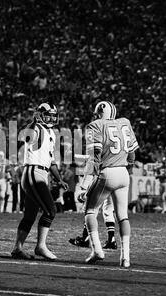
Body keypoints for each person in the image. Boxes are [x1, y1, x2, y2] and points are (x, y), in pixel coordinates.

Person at [78, 101, 138, 267]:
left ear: (98, 113)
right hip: (123, 173)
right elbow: (132, 153)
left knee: (90, 211)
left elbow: (94, 157)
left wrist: (84, 185)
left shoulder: (95, 126)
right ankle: (125, 257)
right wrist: (129, 170)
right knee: (122, 216)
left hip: (107, 173)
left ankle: (97, 250)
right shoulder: (124, 123)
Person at [11, 102, 68, 261]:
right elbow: (25, 136)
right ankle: (40, 246)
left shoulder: (52, 133)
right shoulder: (35, 128)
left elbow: (52, 161)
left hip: (42, 173)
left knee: (30, 215)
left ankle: (17, 248)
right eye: (47, 114)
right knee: (50, 210)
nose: (51, 117)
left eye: (52, 115)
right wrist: (34, 121)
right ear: (40, 114)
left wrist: (60, 179)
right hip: (33, 172)